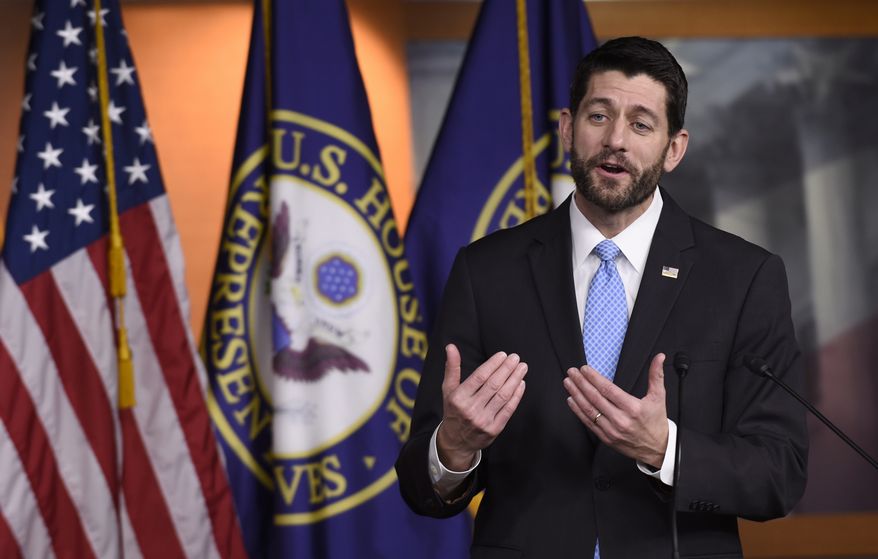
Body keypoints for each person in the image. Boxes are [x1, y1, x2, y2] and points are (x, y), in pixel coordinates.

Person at [396, 36, 808, 558]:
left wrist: (664, 449)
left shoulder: (745, 277)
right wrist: (453, 447)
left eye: (641, 124)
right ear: (568, 128)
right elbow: (420, 488)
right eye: (598, 117)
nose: (616, 140)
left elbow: (779, 474)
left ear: (673, 148)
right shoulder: (486, 271)